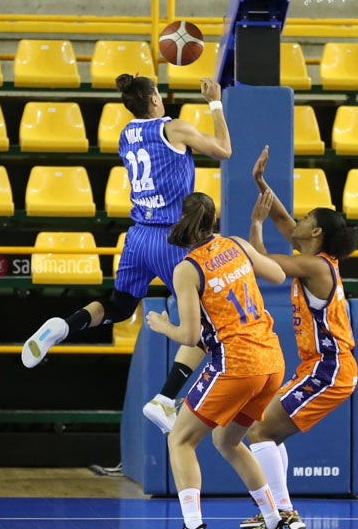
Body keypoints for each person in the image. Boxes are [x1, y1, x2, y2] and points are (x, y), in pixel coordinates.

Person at [21, 75, 231, 435]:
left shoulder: (125, 135)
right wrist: (215, 103)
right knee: (213, 324)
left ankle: (63, 326)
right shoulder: (175, 128)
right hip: (173, 237)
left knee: (118, 307)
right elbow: (224, 150)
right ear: (153, 100)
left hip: (137, 236)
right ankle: (166, 399)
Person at [145, 192, 299, 529]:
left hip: (236, 363)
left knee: (180, 439)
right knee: (228, 441)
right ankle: (276, 522)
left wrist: (162, 325)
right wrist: (254, 236)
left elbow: (190, 335)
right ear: (214, 220)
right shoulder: (237, 244)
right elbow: (277, 274)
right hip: (271, 361)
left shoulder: (187, 269)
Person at [237, 145, 358, 529]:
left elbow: (264, 264)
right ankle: (282, 511)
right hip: (320, 367)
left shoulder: (315, 266)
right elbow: (284, 221)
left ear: (317, 233)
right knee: (265, 430)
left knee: (258, 433)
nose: (297, 221)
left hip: (330, 368)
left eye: (306, 218)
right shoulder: (315, 257)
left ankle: (283, 514)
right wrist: (260, 182)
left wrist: (254, 226)